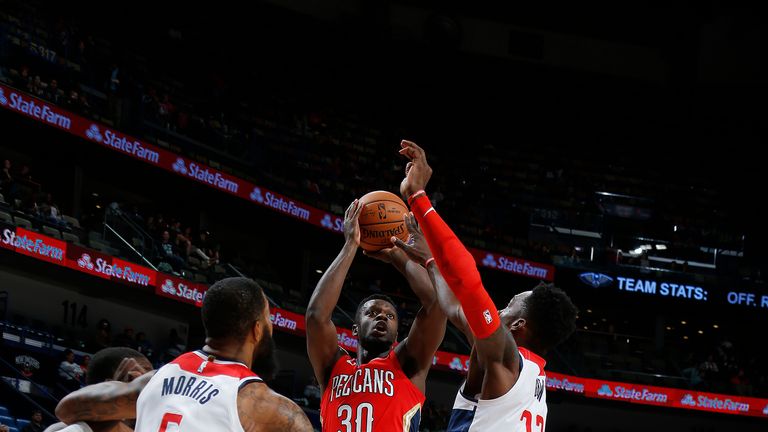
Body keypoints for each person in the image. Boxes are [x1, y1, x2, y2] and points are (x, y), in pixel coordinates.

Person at [395, 140, 578, 431]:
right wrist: (430, 262)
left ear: (518, 325)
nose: (499, 310)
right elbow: (455, 307)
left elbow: (469, 282)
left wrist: (417, 198)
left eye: (507, 306)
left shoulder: (506, 358)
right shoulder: (531, 376)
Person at [55, 277, 312, 432]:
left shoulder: (153, 380)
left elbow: (66, 409)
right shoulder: (268, 406)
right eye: (268, 321)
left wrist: (123, 388)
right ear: (257, 331)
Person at [306, 199, 447, 431]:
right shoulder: (333, 365)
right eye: (372, 313)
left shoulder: (407, 364)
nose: (382, 317)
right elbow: (316, 317)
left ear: (396, 336)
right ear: (355, 328)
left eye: (390, 316)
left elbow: (436, 303)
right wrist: (350, 246)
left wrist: (397, 257)